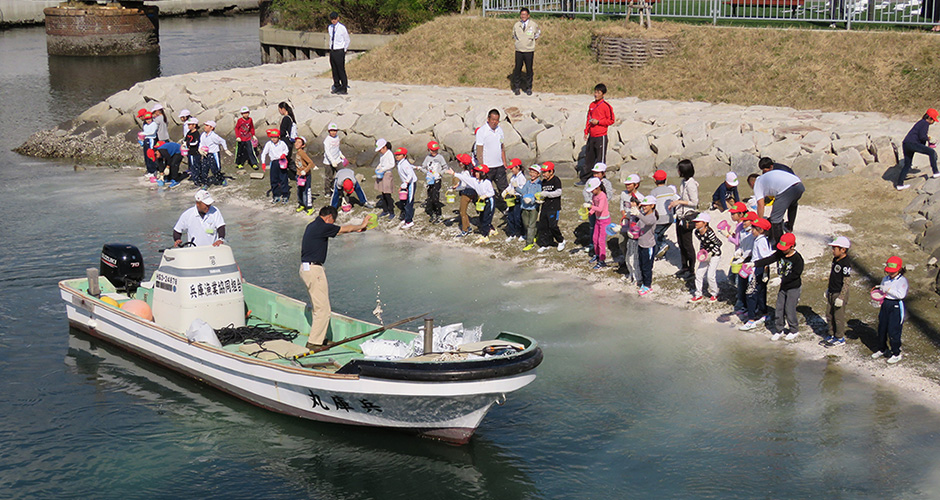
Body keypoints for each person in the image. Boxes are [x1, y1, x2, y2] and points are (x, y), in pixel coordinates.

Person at [300, 206, 368, 348]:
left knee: (318, 306)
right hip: (314, 270)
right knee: (323, 309)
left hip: (306, 268)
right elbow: (344, 229)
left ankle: (320, 338)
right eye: (333, 220)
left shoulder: (312, 225)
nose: (333, 223)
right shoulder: (322, 226)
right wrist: (361, 225)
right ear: (329, 217)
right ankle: (314, 343)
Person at [753, 233, 804, 341]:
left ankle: (794, 330)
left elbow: (796, 274)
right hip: (783, 287)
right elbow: (769, 259)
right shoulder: (780, 253)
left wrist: (782, 279)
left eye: (785, 248)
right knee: (779, 308)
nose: (782, 250)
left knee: (789, 309)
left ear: (792, 246)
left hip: (793, 287)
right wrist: (754, 264)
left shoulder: (798, 259)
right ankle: (779, 329)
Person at [753, 167, 804, 245]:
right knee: (793, 204)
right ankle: (789, 227)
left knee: (775, 218)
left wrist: (759, 223)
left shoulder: (757, 183)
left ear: (751, 183)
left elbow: (760, 205)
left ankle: (779, 244)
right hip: (799, 185)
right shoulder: (765, 178)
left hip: (787, 189)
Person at [872, 256, 908, 364]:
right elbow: (883, 292)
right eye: (889, 271)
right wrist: (879, 296)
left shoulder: (902, 281)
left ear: (899, 269)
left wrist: (888, 290)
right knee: (882, 328)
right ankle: (883, 349)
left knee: (894, 330)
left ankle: (896, 353)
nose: (890, 274)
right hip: (885, 304)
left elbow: (901, 295)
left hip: (896, 306)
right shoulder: (885, 279)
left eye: (893, 271)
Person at [739, 218, 773, 331]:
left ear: (761, 230)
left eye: (754, 228)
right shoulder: (758, 239)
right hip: (756, 268)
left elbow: (766, 258)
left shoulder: (761, 241)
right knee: (760, 293)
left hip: (758, 269)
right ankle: (763, 313)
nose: (751, 230)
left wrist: (764, 273)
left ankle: (751, 319)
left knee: (751, 294)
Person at [450, 164, 496, 244]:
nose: (476, 173)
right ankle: (491, 230)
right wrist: (455, 174)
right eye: (476, 172)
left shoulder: (487, 182)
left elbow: (492, 192)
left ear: (483, 173)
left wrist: (485, 196)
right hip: (482, 201)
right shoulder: (475, 181)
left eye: (478, 172)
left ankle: (485, 236)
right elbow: (465, 178)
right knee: (482, 217)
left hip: (489, 201)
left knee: (486, 218)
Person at [579, 83, 615, 186]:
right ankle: (585, 179)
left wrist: (599, 122)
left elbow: (611, 120)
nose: (596, 94)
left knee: (600, 159)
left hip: (601, 136)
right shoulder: (592, 105)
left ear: (603, 94)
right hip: (592, 136)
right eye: (595, 92)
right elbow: (588, 119)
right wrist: (586, 131)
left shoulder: (606, 106)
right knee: (588, 158)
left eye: (598, 92)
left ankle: (601, 180)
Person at [897, 108, 940, 190]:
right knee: (931, 152)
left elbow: (919, 137)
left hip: (906, 144)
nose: (933, 122)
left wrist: (926, 143)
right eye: (933, 120)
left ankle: (899, 184)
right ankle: (936, 172)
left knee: (907, 165)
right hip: (912, 144)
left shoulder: (920, 122)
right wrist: (929, 139)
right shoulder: (925, 124)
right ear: (929, 118)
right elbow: (922, 137)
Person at [669, 159, 699, 279]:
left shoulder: (691, 184)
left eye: (679, 169)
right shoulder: (683, 182)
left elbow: (694, 202)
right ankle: (684, 266)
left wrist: (679, 202)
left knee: (687, 244)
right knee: (681, 242)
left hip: (688, 216)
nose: (677, 171)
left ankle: (692, 269)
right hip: (680, 215)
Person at [821, 236, 853, 348]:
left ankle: (840, 338)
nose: (832, 250)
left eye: (835, 248)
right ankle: (831, 334)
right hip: (832, 291)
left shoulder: (846, 263)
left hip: (839, 293)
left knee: (838, 317)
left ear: (843, 249)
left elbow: (846, 281)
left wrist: (841, 297)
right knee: (829, 314)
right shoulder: (835, 260)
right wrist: (828, 288)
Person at [476, 109, 509, 210]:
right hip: (487, 167)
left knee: (504, 188)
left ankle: (507, 208)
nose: (494, 122)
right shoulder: (482, 131)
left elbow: (502, 147)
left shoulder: (500, 130)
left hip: (499, 166)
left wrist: (504, 162)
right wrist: (481, 166)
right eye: (493, 119)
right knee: (485, 190)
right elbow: (479, 150)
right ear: (488, 119)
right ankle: (485, 208)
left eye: (497, 120)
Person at [690, 213, 722, 302]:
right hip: (705, 254)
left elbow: (719, 243)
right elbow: (703, 243)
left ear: (705, 223)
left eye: (698, 222)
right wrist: (702, 252)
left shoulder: (710, 233)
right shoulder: (696, 232)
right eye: (695, 222)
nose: (696, 223)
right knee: (699, 274)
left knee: (710, 275)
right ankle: (698, 293)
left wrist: (711, 253)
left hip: (715, 255)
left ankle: (715, 293)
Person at [619, 174, 644, 284]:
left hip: (635, 226)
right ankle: (628, 266)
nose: (627, 186)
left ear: (636, 185)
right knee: (622, 243)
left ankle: (636, 273)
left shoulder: (641, 197)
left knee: (634, 250)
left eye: (629, 184)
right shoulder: (623, 194)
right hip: (626, 222)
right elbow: (622, 207)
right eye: (626, 184)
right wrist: (625, 218)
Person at [511, 7, 540, 96]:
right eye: (522, 14)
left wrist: (529, 41)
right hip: (519, 50)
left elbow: (537, 34)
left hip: (529, 50)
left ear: (528, 15)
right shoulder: (517, 25)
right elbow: (514, 35)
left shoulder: (533, 25)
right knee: (517, 69)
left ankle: (528, 88)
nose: (523, 16)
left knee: (529, 69)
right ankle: (516, 87)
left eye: (525, 14)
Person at [649, 169, 677, 260]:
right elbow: (676, 200)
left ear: (655, 181)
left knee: (655, 234)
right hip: (669, 217)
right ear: (666, 179)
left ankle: (660, 248)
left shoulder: (654, 192)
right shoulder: (670, 190)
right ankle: (662, 254)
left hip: (659, 218)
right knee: (660, 233)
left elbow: (651, 205)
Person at [536, 162, 565, 252]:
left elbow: (558, 192)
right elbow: (543, 193)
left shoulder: (556, 180)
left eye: (545, 172)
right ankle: (546, 244)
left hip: (554, 207)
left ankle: (561, 240)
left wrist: (547, 194)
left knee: (553, 226)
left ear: (551, 171)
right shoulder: (544, 182)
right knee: (543, 226)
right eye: (542, 172)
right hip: (545, 206)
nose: (543, 174)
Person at [635, 196, 658, 296]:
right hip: (641, 244)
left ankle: (648, 286)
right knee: (641, 264)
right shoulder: (643, 215)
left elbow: (647, 222)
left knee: (647, 267)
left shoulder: (652, 217)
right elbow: (638, 226)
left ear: (652, 206)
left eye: (645, 205)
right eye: (643, 205)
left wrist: (638, 214)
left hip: (649, 246)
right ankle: (643, 282)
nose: (643, 207)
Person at [585, 177, 610, 270]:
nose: (592, 192)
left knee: (601, 241)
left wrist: (591, 206)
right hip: (598, 220)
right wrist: (590, 211)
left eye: (593, 190)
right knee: (595, 239)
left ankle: (602, 260)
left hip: (604, 220)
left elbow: (600, 208)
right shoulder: (594, 196)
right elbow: (595, 207)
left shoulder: (602, 196)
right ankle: (597, 255)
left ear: (598, 187)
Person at [420, 141, 447, 223]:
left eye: (436, 150)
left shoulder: (440, 157)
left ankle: (439, 215)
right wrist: (427, 172)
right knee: (430, 197)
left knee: (435, 197)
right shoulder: (427, 158)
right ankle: (433, 214)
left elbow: (445, 167)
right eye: (432, 150)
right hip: (429, 180)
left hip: (437, 179)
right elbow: (423, 167)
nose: (434, 152)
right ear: (429, 150)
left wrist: (440, 173)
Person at [260, 128, 290, 203]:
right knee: (274, 180)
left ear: (278, 137)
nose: (273, 139)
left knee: (283, 179)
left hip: (281, 161)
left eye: (275, 137)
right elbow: (264, 153)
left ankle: (285, 195)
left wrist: (284, 154)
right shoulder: (269, 144)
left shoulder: (282, 143)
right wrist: (263, 163)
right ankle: (276, 195)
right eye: (272, 137)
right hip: (273, 162)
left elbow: (286, 150)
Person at [199, 120, 231, 187]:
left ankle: (221, 179)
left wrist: (226, 149)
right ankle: (205, 183)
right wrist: (200, 149)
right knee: (204, 169)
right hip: (205, 154)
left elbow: (222, 141)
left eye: (207, 126)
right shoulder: (203, 135)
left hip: (213, 154)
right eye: (205, 125)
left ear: (211, 128)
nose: (205, 127)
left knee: (215, 170)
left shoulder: (214, 136)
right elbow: (201, 143)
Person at [453, 153, 477, 236]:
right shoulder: (471, 171)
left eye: (459, 162)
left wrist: (456, 188)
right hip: (472, 192)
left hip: (466, 193)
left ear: (462, 164)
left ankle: (465, 230)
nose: (458, 163)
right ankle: (468, 227)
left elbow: (463, 185)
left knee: (462, 212)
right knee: (463, 211)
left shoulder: (465, 173)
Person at [520, 164, 542, 251]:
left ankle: (529, 243)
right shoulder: (528, 183)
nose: (532, 174)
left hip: (533, 207)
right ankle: (535, 234)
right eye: (531, 172)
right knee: (526, 224)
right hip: (524, 206)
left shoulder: (539, 184)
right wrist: (515, 188)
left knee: (531, 225)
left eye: (534, 172)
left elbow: (539, 195)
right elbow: (523, 191)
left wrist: (532, 200)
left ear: (538, 174)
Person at [395, 147, 417, 228]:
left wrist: (406, 182)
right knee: (404, 201)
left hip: (410, 183)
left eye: (399, 155)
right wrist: (415, 167)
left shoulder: (404, 164)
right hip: (405, 183)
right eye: (396, 155)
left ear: (404, 156)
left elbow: (410, 174)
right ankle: (405, 217)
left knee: (409, 202)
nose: (397, 156)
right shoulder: (400, 163)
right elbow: (409, 167)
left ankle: (409, 221)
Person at [327, 12, 349, 95]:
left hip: (339, 50)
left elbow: (347, 39)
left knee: (341, 69)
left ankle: (344, 87)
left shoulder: (342, 28)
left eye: (335, 19)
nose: (334, 21)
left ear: (338, 18)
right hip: (332, 50)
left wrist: (344, 50)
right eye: (332, 19)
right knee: (334, 69)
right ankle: (337, 85)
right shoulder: (330, 27)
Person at [374, 139, 396, 219]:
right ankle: (385, 210)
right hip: (382, 174)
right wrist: (379, 167)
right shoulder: (381, 154)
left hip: (387, 174)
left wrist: (384, 169)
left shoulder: (389, 153)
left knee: (387, 194)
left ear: (385, 147)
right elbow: (381, 162)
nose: (380, 151)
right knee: (383, 193)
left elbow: (392, 164)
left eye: (380, 150)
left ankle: (391, 211)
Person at [504, 159, 526, 239]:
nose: (511, 170)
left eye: (512, 168)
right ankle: (512, 234)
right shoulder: (513, 177)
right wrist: (506, 191)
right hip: (512, 198)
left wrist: (515, 190)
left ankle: (521, 233)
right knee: (510, 216)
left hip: (518, 198)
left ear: (518, 167)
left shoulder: (522, 177)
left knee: (518, 217)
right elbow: (510, 185)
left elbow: (522, 189)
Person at [322, 122, 346, 196]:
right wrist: (332, 161)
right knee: (329, 177)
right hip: (328, 162)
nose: (333, 132)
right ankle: (328, 191)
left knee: (342, 173)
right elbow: (327, 152)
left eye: (335, 131)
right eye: (332, 131)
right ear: (329, 131)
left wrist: (341, 155)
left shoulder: (337, 138)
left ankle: (339, 188)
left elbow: (337, 148)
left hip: (337, 159)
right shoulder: (327, 140)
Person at [295, 136, 316, 214]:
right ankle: (302, 204)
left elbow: (310, 162)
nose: (297, 143)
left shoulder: (302, 153)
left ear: (303, 145)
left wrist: (305, 171)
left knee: (306, 191)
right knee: (299, 190)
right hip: (299, 176)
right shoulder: (297, 152)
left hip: (305, 176)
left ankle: (309, 207)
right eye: (296, 142)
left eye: (299, 142)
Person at [278, 102, 298, 179]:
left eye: (279, 109)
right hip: (290, 142)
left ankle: (296, 174)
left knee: (285, 159)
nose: (279, 111)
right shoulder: (291, 118)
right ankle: (295, 174)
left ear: (283, 109)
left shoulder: (286, 118)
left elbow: (282, 131)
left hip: (285, 142)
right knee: (288, 158)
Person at [183, 118, 202, 184]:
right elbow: (185, 139)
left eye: (190, 125)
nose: (188, 126)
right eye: (188, 125)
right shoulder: (189, 132)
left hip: (195, 152)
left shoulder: (196, 133)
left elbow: (196, 143)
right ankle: (193, 175)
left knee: (196, 164)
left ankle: (197, 178)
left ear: (194, 125)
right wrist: (184, 144)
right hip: (189, 151)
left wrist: (188, 144)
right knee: (191, 164)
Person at [140, 112, 158, 180]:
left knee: (151, 155)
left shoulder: (154, 124)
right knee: (146, 155)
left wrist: (144, 133)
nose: (148, 120)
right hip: (146, 140)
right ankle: (149, 170)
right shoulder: (145, 125)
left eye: (150, 119)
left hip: (151, 140)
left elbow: (152, 132)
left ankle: (153, 171)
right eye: (147, 119)